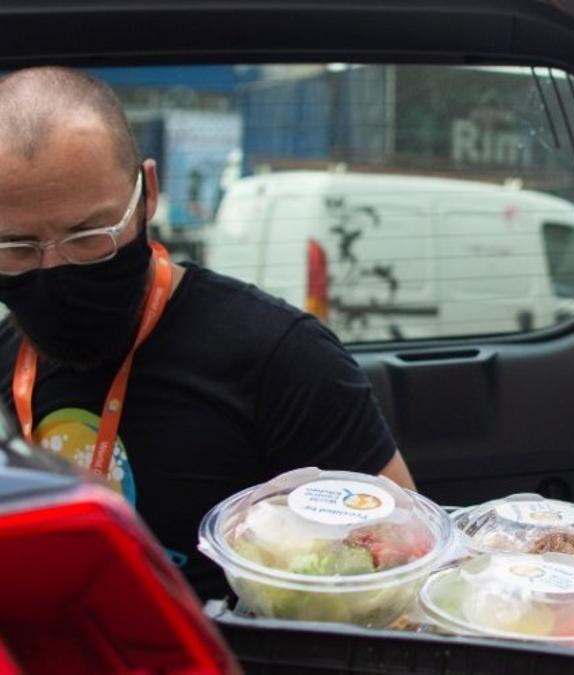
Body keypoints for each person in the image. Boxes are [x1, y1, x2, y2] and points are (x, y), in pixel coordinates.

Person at [0, 67, 415, 600]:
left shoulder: (282, 357)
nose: (55, 267)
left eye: (89, 237)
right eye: (16, 247)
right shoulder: (7, 358)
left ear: (147, 195)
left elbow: (401, 561)